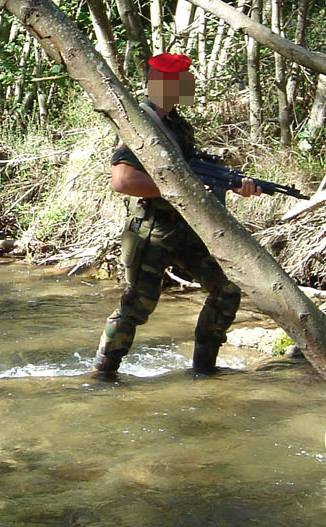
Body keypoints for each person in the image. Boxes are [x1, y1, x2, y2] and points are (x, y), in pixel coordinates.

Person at [89, 52, 261, 380]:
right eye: (186, 79)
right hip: (152, 230)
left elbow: (190, 171)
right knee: (138, 306)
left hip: (186, 227)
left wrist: (232, 183)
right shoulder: (139, 122)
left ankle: (204, 370)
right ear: (168, 84)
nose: (192, 84)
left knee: (226, 289)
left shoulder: (176, 124)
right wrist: (179, 190)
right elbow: (123, 181)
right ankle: (101, 374)